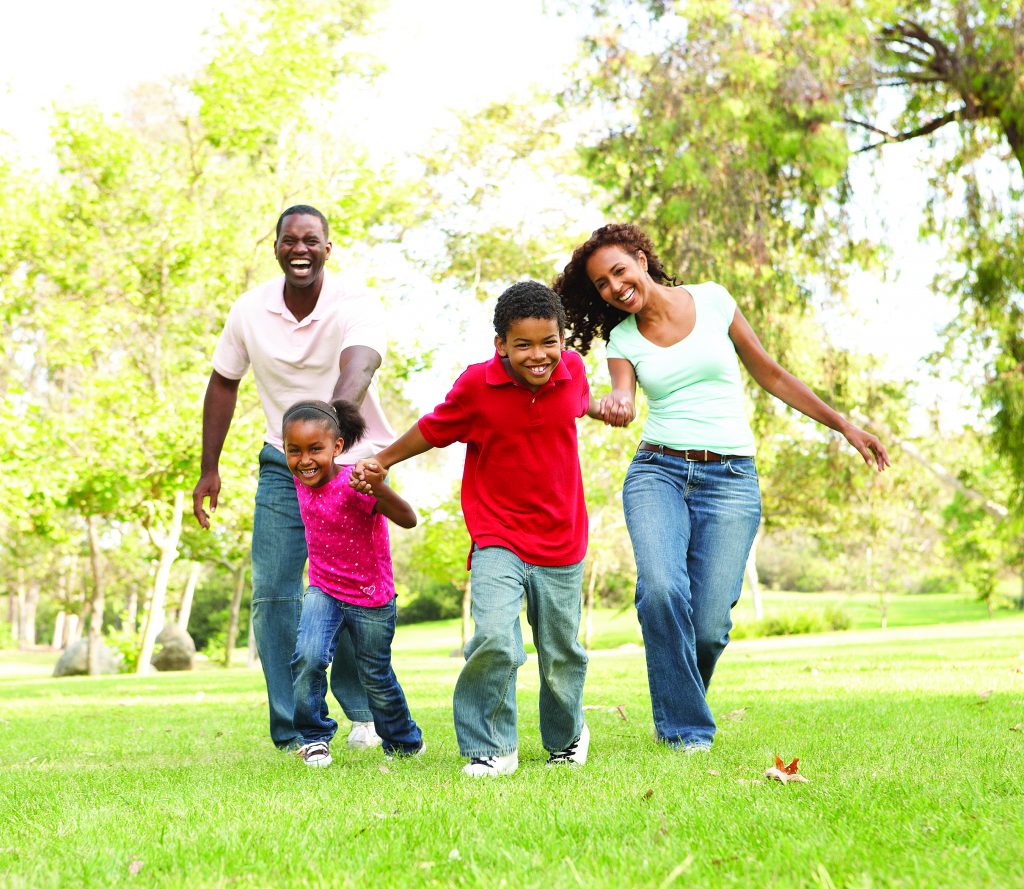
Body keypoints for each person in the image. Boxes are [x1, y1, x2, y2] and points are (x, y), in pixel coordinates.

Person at [554, 223, 890, 751]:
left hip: (731, 479)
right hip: (658, 472)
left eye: (619, 270)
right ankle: (687, 732)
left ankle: (683, 705)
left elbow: (771, 374)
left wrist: (844, 425)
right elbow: (624, 399)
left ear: (641, 259)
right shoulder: (621, 340)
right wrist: (610, 405)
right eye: (601, 284)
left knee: (709, 626)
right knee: (662, 590)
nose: (616, 287)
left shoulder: (712, 300)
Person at [351, 281, 601, 777]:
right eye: (523, 344)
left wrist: (605, 405)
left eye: (549, 341)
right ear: (501, 345)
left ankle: (567, 735)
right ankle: (491, 746)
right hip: (498, 536)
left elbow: (579, 401)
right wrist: (381, 460)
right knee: (494, 638)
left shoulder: (572, 371)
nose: (538, 355)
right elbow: (433, 427)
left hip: (563, 538)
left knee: (560, 652)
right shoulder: (476, 386)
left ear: (562, 340)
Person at [192, 204, 393, 752]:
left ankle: (364, 712)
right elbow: (223, 383)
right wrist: (210, 467)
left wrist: (332, 436)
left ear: (328, 248)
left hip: (348, 464)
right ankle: (297, 729)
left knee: (351, 589)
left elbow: (360, 364)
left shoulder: (355, 303)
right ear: (276, 246)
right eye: (289, 240)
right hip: (283, 464)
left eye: (311, 241)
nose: (299, 249)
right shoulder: (249, 311)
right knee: (275, 594)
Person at [282, 399, 423, 767]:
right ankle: (314, 737)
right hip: (324, 590)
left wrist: (378, 489)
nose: (304, 460)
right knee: (307, 657)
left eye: (316, 449)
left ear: (338, 448)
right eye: (293, 451)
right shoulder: (298, 482)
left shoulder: (355, 483)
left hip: (370, 595)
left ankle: (405, 741)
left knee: (375, 675)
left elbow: (408, 519)